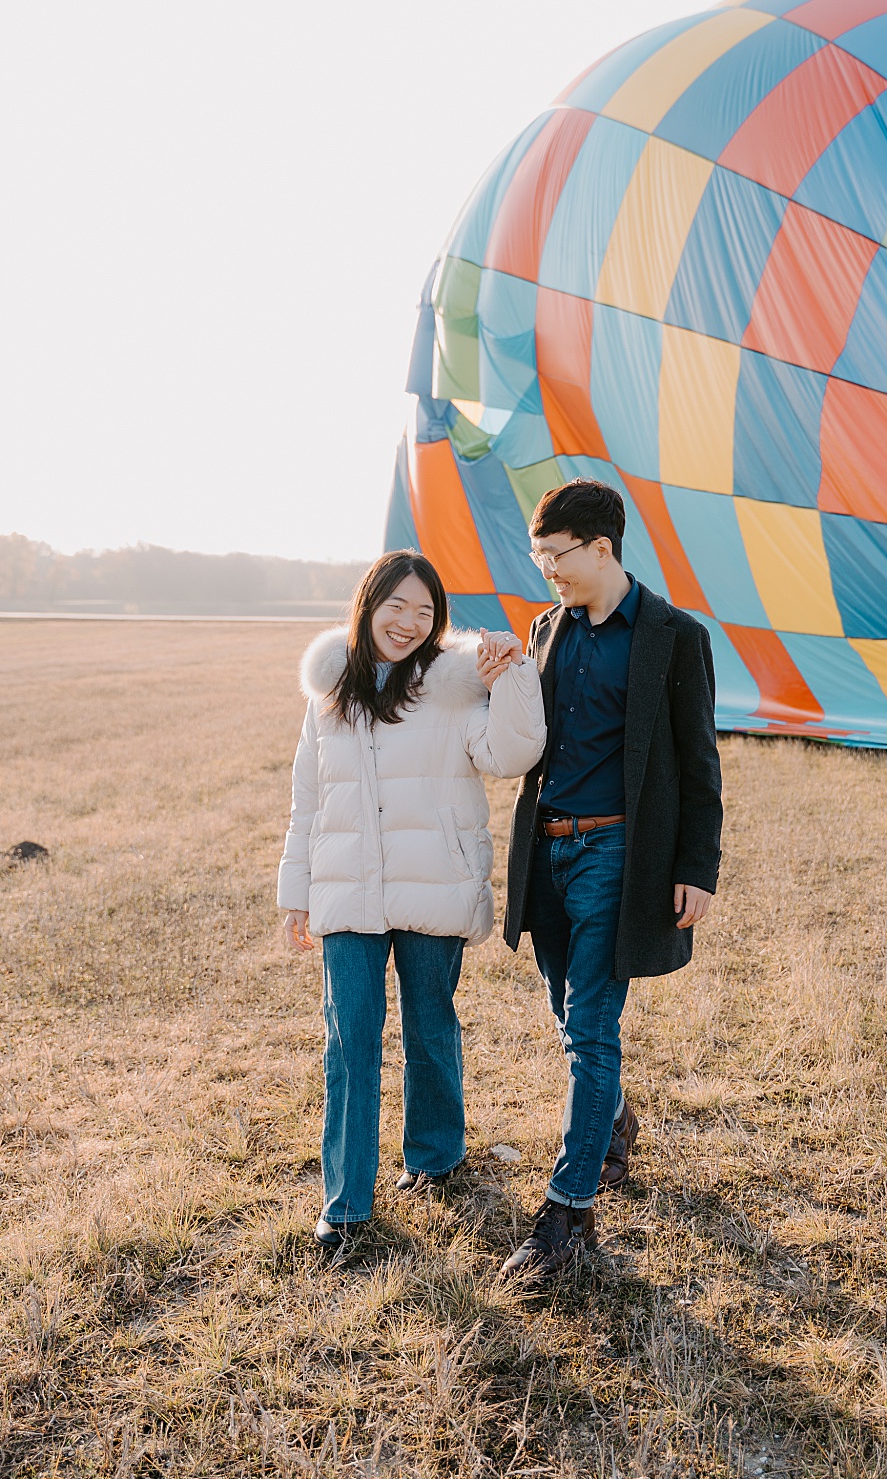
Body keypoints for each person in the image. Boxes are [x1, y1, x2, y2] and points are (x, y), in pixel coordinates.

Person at [278, 551, 542, 1261]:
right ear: (368, 605)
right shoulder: (328, 690)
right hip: (348, 891)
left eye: (425, 611)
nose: (409, 622)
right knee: (350, 1043)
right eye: (397, 605)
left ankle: (434, 1157)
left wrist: (514, 675)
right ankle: (346, 1208)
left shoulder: (457, 683)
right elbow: (309, 799)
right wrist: (294, 891)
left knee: (430, 1028)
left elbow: (513, 753)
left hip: (433, 883)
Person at [496, 479, 723, 1282]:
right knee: (568, 1016)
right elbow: (525, 736)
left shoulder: (673, 636)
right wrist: (497, 678)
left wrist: (699, 866)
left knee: (591, 1027)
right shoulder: (544, 628)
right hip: (547, 850)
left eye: (556, 557)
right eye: (540, 557)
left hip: (617, 856)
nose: (547, 571)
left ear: (602, 547)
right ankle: (615, 1116)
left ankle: (567, 1215)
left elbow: (699, 760)